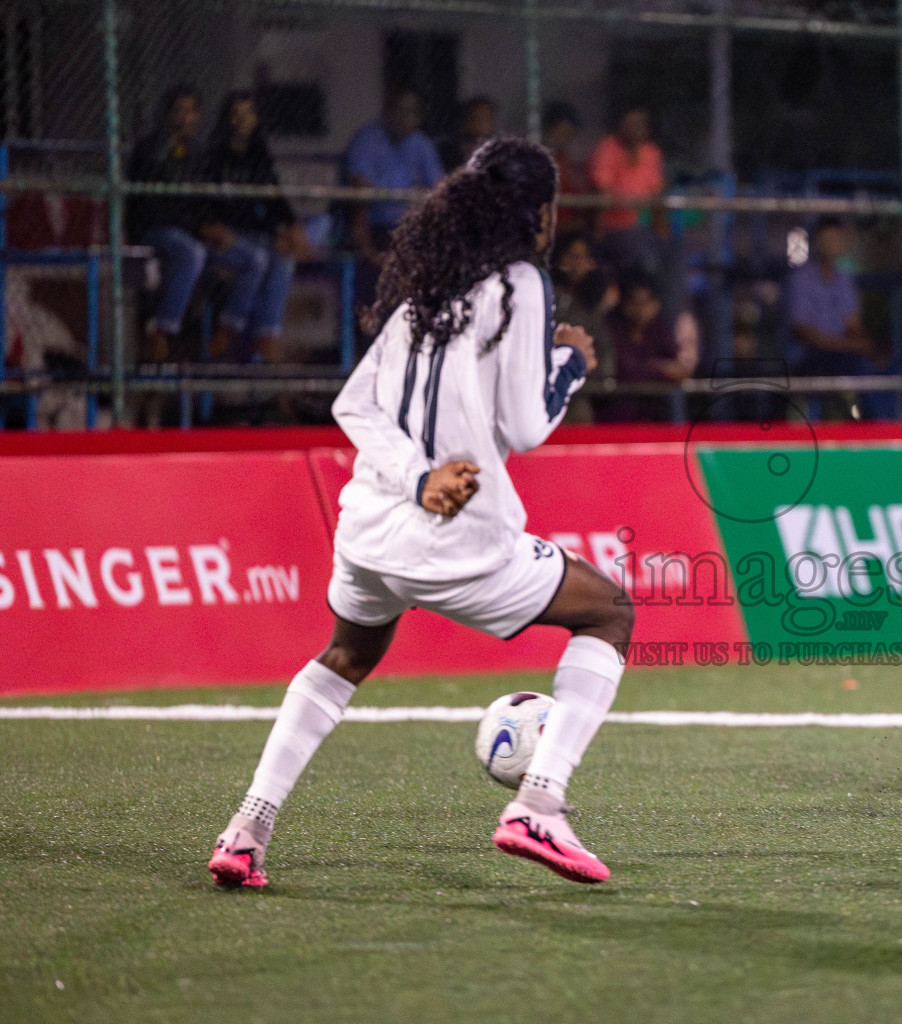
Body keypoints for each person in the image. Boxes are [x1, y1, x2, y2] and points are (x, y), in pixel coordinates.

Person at [208, 135, 630, 889]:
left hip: (371, 528)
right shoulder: (520, 285)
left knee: (345, 658)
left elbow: (353, 404)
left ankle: (247, 828)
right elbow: (525, 426)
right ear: (538, 213)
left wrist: (415, 477)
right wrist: (570, 365)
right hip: (457, 539)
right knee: (609, 612)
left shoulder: (427, 287)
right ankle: (539, 802)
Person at [201, 90, 312, 362]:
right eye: (235, 115)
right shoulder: (214, 156)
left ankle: (267, 334)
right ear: (226, 120)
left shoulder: (258, 153)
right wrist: (212, 226)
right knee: (260, 259)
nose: (241, 121)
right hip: (225, 236)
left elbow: (273, 197)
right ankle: (228, 327)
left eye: (247, 114)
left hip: (254, 234)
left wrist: (290, 226)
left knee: (285, 256)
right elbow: (207, 206)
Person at [342, 90, 446, 310]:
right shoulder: (368, 139)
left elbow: (439, 189)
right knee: (377, 281)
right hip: (375, 230)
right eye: (400, 111)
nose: (405, 117)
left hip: (410, 229)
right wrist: (368, 251)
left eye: (411, 112)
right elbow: (359, 198)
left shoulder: (419, 143)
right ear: (386, 113)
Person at [128, 84, 209, 362]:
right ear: (167, 115)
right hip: (155, 230)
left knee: (250, 256)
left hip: (187, 230)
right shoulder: (152, 149)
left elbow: (203, 201)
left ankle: (212, 341)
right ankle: (163, 328)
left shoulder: (197, 153)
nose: (185, 118)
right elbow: (150, 206)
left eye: (191, 111)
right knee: (192, 252)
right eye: (179, 111)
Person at [785, 215, 877, 418]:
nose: (832, 244)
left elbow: (853, 325)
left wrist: (866, 346)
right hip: (810, 356)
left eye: (837, 239)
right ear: (817, 242)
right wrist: (849, 345)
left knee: (877, 366)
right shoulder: (800, 278)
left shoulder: (844, 280)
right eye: (827, 239)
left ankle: (871, 427)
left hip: (842, 355)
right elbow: (803, 332)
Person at [605, 272, 698, 421]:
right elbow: (624, 372)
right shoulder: (609, 327)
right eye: (635, 302)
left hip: (654, 416)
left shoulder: (658, 328)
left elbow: (681, 370)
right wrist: (660, 369)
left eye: (646, 302)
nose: (641, 310)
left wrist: (650, 369)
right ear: (623, 303)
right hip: (615, 417)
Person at [587, 105, 665, 274]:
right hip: (613, 227)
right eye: (632, 123)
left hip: (642, 227)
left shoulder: (651, 152)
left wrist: (660, 229)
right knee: (646, 258)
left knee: (676, 250)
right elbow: (601, 193)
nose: (637, 128)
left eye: (641, 123)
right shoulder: (607, 148)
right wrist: (597, 230)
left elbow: (656, 194)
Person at [551, 233, 618, 422]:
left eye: (583, 258)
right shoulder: (546, 295)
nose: (576, 264)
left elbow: (606, 364)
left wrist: (578, 370)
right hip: (542, 385)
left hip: (579, 391)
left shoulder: (595, 304)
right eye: (572, 256)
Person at [542, 101, 592, 234]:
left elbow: (582, 195)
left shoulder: (573, 161)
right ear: (549, 130)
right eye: (562, 132)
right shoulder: (539, 160)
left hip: (574, 227)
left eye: (570, 133)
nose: (566, 138)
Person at [437, 95, 499, 172]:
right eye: (477, 118)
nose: (482, 123)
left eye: (487, 118)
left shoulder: (498, 149)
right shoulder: (448, 149)